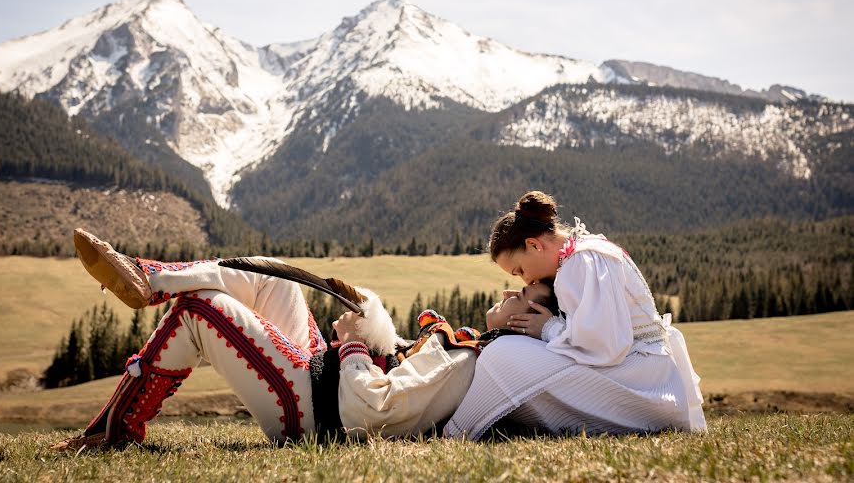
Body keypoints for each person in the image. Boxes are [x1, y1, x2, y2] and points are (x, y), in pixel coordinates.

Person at [53, 229, 557, 449]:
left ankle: (111, 431)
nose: (511, 288)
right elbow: (402, 369)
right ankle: (148, 278)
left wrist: (356, 344)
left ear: (531, 314)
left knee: (202, 311)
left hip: (318, 414)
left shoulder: (466, 361)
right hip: (322, 374)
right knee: (272, 278)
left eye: (522, 289)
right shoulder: (467, 350)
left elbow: (372, 413)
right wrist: (374, 331)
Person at [443, 191, 707, 440]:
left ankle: (454, 432)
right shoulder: (583, 255)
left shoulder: (580, 261)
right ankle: (466, 426)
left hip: (640, 384)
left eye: (520, 270)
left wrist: (548, 329)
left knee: (501, 354)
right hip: (644, 378)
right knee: (508, 352)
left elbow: (605, 346)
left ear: (534, 245)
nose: (527, 279)